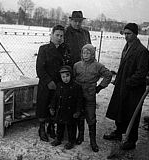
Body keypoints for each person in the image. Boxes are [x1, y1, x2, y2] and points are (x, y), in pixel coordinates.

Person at [103, 23, 149, 150]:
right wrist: (118, 80)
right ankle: (119, 132)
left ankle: (131, 140)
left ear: (135, 34)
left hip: (134, 88)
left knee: (132, 113)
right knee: (120, 108)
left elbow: (141, 72)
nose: (126, 36)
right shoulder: (127, 47)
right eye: (125, 33)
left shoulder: (142, 51)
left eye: (129, 34)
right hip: (122, 85)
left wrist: (128, 82)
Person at [36, 24, 72, 142]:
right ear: (51, 35)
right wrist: (48, 81)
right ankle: (41, 129)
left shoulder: (65, 50)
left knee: (55, 106)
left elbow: (68, 66)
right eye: (57, 35)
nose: (59, 38)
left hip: (59, 84)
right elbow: (39, 69)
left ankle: (51, 127)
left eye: (62, 35)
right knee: (43, 105)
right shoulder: (44, 49)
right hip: (46, 83)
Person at [73, 44, 112, 152]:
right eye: (83, 53)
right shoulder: (77, 65)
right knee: (80, 116)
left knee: (91, 118)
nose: (85, 55)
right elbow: (73, 78)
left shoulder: (97, 66)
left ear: (92, 54)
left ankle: (93, 142)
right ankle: (80, 137)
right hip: (79, 96)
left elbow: (108, 75)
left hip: (90, 96)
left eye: (88, 53)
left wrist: (100, 87)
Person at [64, 10, 91, 145]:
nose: (77, 23)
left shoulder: (86, 33)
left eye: (79, 21)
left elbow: (90, 51)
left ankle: (80, 133)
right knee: (68, 102)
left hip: (83, 71)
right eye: (75, 20)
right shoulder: (65, 32)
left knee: (81, 103)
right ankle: (66, 133)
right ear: (70, 21)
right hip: (68, 71)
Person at [49, 65, 83, 150]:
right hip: (61, 110)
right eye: (63, 77)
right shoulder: (59, 85)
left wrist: (78, 111)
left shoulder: (76, 86)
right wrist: (52, 107)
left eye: (67, 76)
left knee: (71, 127)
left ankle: (71, 141)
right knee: (60, 126)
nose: (65, 78)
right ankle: (58, 139)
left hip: (71, 111)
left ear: (71, 75)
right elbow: (55, 98)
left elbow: (79, 100)